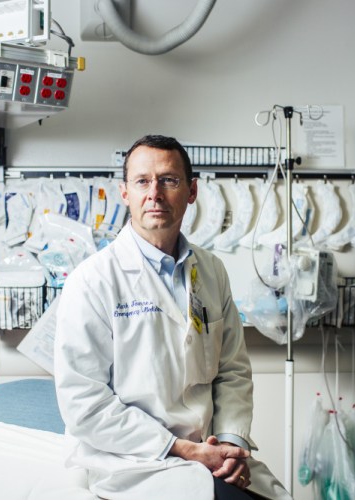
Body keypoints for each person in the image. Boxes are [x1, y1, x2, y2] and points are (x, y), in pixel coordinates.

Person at [54, 135, 291, 500]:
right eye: (142, 181)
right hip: (133, 459)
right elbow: (84, 404)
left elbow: (232, 371)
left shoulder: (211, 271)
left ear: (192, 190)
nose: (155, 193)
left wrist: (231, 446)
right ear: (124, 193)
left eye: (169, 180)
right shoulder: (92, 281)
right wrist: (182, 449)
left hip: (210, 451)